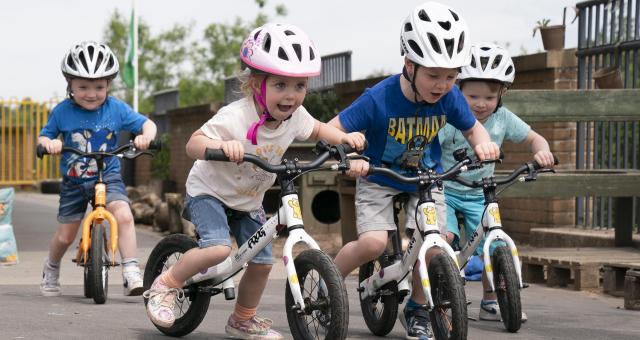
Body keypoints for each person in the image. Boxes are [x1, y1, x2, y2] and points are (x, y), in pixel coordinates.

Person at [143, 23, 366, 339]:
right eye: (280, 85)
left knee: (262, 262)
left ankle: (242, 320)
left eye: (299, 86)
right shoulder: (236, 116)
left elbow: (317, 130)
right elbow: (192, 144)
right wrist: (222, 146)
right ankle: (165, 285)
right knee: (218, 249)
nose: (291, 96)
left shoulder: (296, 116)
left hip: (247, 199)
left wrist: (345, 139)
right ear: (255, 84)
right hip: (210, 192)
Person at [328, 2, 500, 339]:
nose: (442, 84)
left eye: (451, 76)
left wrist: (483, 143)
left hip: (426, 177)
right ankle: (327, 282)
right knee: (374, 244)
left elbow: (472, 128)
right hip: (379, 176)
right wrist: (346, 151)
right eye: (433, 75)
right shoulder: (379, 98)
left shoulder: (449, 97)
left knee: (437, 242)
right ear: (409, 65)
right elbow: (334, 129)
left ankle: (417, 308)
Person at [439, 42, 554, 322]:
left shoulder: (502, 118)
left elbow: (533, 137)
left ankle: (491, 301)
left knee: (493, 244)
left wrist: (542, 149)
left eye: (489, 96)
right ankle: (443, 295)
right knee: (446, 239)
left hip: (481, 193)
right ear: (458, 90)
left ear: (502, 93)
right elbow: (431, 147)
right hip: (446, 189)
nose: (481, 103)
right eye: (472, 95)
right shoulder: (451, 118)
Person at [38, 41, 157, 297]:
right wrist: (49, 143)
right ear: (69, 85)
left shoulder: (116, 108)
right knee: (65, 236)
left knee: (123, 215)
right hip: (74, 181)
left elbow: (147, 124)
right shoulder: (62, 112)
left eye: (99, 87)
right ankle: (52, 267)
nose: (91, 93)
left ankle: (131, 269)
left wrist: (146, 136)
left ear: (108, 85)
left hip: (108, 176)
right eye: (83, 86)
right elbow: (44, 136)